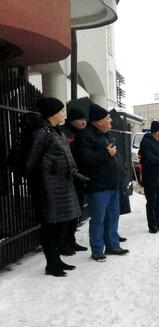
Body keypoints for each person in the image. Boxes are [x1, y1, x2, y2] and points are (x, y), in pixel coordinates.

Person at [25, 97, 84, 276]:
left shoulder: (56, 131)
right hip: (48, 187)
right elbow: (30, 163)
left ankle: (56, 259)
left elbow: (65, 156)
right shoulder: (41, 132)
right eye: (61, 111)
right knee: (50, 226)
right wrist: (48, 172)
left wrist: (75, 174)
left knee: (61, 224)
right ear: (52, 113)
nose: (64, 114)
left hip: (63, 184)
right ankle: (52, 264)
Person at [78, 103, 128, 262]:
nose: (111, 122)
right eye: (108, 119)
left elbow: (116, 158)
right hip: (98, 185)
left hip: (112, 183)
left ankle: (112, 244)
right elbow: (85, 160)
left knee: (113, 216)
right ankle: (97, 249)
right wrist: (106, 153)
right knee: (98, 219)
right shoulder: (86, 136)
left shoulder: (106, 134)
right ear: (98, 121)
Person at [61, 107, 89, 255]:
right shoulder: (65, 132)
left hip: (79, 177)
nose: (84, 122)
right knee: (68, 212)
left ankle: (71, 240)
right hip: (68, 177)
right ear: (72, 120)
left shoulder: (82, 133)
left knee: (77, 211)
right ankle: (64, 243)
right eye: (80, 119)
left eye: (85, 119)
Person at [139, 121, 159, 233]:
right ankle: (152, 226)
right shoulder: (146, 143)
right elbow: (148, 159)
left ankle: (158, 223)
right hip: (151, 178)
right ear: (156, 131)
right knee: (152, 202)